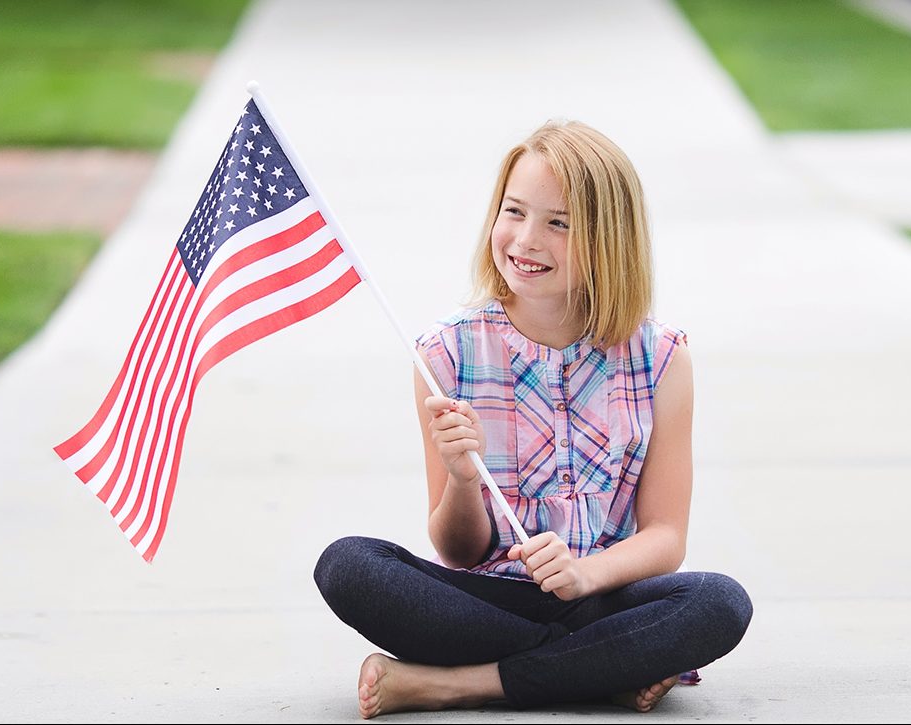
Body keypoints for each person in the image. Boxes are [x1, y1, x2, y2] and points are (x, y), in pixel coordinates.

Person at [314, 120, 752, 719]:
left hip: (607, 597)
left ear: (611, 239)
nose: (525, 239)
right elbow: (459, 554)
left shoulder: (662, 361)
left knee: (719, 603)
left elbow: (666, 538)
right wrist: (464, 479)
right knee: (349, 565)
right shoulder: (444, 355)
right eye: (514, 212)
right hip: (488, 604)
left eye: (558, 223)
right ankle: (606, 669)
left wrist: (585, 573)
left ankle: (456, 684)